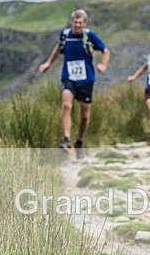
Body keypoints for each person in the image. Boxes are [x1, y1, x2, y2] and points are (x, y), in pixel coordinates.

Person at [39, 9, 110, 159]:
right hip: (68, 77)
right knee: (66, 105)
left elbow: (105, 51)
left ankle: (79, 141)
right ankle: (66, 140)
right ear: (72, 22)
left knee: (84, 116)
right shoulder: (65, 35)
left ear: (84, 23)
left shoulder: (90, 36)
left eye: (80, 23)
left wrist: (103, 65)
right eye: (75, 22)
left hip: (86, 79)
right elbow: (58, 49)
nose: (77, 25)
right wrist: (48, 63)